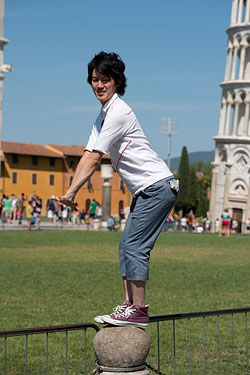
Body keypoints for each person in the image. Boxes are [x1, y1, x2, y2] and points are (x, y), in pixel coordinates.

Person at [57, 51, 178, 328]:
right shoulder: (102, 117)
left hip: (157, 186)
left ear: (116, 81)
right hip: (146, 190)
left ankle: (138, 309)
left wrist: (71, 192)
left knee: (136, 246)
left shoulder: (118, 113)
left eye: (105, 80)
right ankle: (128, 306)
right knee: (126, 245)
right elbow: (87, 153)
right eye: (94, 80)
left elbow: (94, 157)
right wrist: (69, 191)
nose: (99, 85)